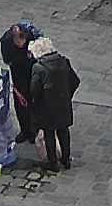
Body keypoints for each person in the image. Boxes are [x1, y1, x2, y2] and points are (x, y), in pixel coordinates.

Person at [27, 36, 82, 174]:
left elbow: (34, 90)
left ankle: (53, 163)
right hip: (63, 104)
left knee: (49, 133)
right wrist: (67, 95)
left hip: (47, 107)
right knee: (63, 130)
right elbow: (75, 80)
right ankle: (66, 159)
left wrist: (36, 103)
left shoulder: (38, 68)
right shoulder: (64, 62)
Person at [0, 22, 41, 144]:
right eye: (18, 43)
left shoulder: (33, 37)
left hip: (33, 74)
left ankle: (35, 130)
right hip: (18, 75)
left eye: (23, 43)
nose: (20, 45)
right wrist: (22, 58)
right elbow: (7, 60)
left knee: (35, 104)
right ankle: (25, 131)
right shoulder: (6, 42)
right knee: (20, 104)